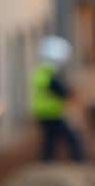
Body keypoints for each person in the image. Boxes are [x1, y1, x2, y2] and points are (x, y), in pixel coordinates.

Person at [28, 35, 84, 163]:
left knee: (50, 138)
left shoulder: (41, 71)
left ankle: (47, 160)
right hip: (50, 113)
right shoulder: (48, 74)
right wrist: (70, 92)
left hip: (44, 112)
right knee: (71, 138)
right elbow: (61, 92)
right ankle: (79, 161)